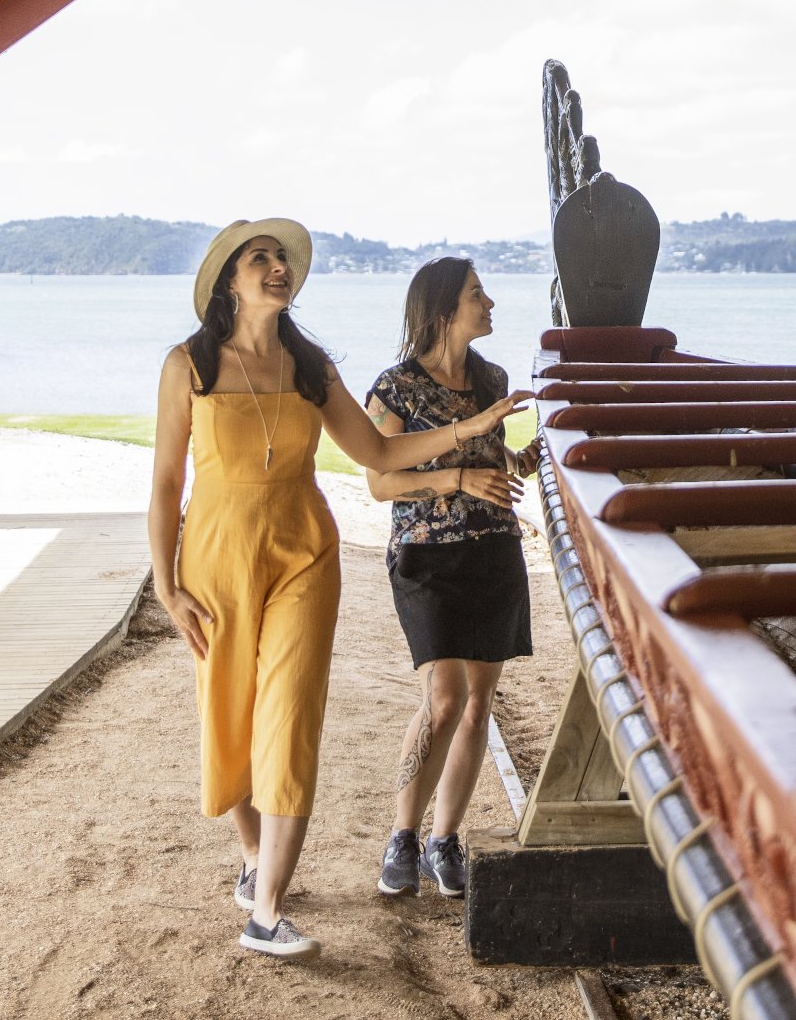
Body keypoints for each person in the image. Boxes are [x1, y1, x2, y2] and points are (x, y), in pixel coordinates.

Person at [151, 220, 523, 962]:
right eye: (261, 258)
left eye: (282, 257)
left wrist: (474, 426)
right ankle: (255, 859)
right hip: (216, 553)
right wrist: (167, 584)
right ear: (229, 279)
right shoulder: (187, 363)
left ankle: (267, 910)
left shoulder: (310, 364)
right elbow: (165, 482)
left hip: (303, 550)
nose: (278, 267)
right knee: (231, 711)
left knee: (289, 715)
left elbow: (378, 451)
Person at [360, 257, 544, 902]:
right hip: (427, 557)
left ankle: (444, 840)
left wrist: (526, 457)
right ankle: (402, 836)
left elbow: (493, 457)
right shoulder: (395, 389)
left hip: (495, 550)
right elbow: (381, 482)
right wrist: (459, 478)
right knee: (444, 701)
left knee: (477, 704)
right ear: (443, 310)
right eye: (476, 294)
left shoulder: (490, 378)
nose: (489, 302)